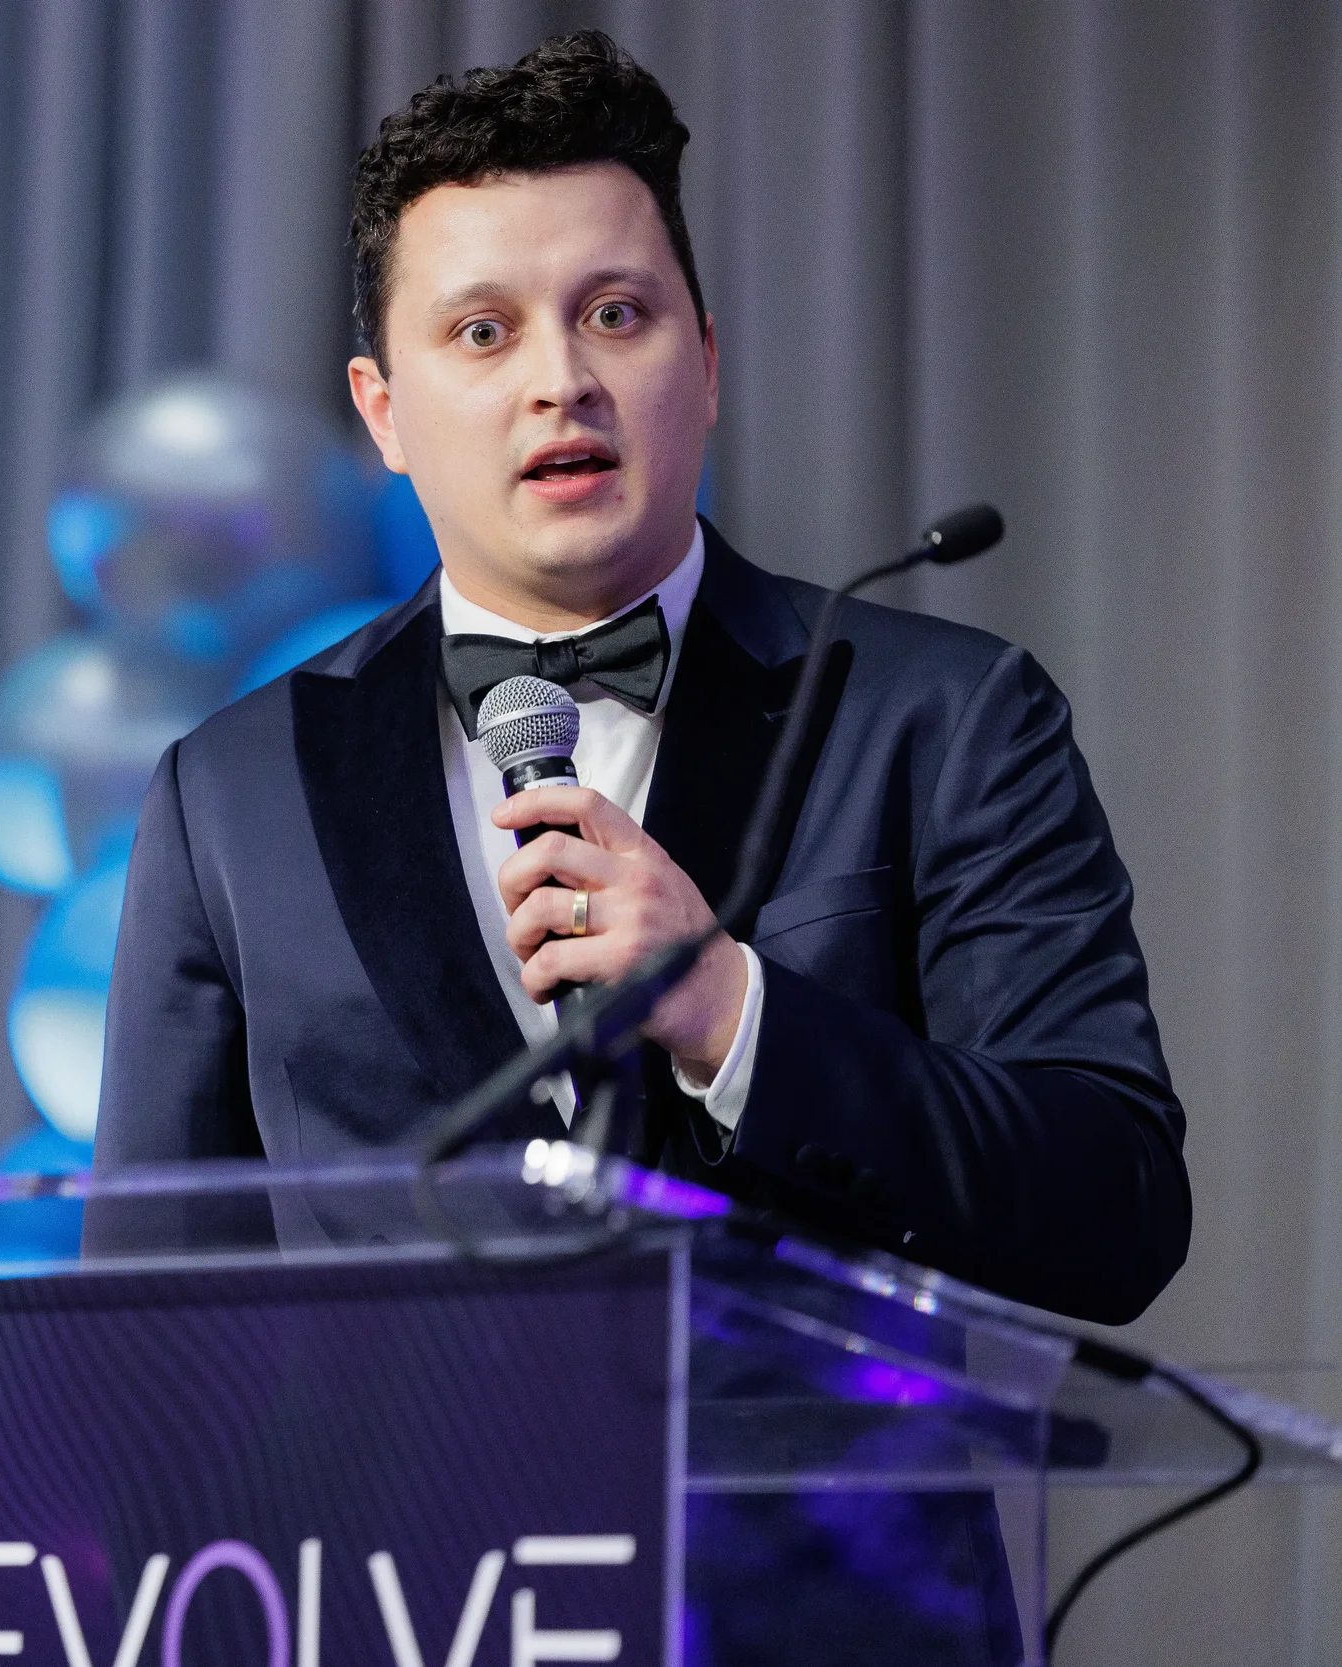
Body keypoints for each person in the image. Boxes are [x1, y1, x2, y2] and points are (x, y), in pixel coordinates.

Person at [92, 33, 1190, 1662]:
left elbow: (1114, 1201)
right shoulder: (231, 792)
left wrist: (739, 1010)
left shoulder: (939, 717)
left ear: (708, 356)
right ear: (381, 413)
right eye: (484, 330)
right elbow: (148, 1342)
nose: (562, 380)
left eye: (616, 312)